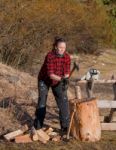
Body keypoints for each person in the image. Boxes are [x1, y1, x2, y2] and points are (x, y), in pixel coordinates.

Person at [33, 37, 71, 136]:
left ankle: (65, 128)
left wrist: (66, 79)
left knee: (63, 102)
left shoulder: (67, 57)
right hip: (44, 81)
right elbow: (50, 74)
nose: (62, 49)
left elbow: (67, 72)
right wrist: (62, 79)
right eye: (60, 47)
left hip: (58, 81)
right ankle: (38, 127)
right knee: (42, 102)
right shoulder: (50, 56)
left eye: (64, 48)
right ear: (55, 47)